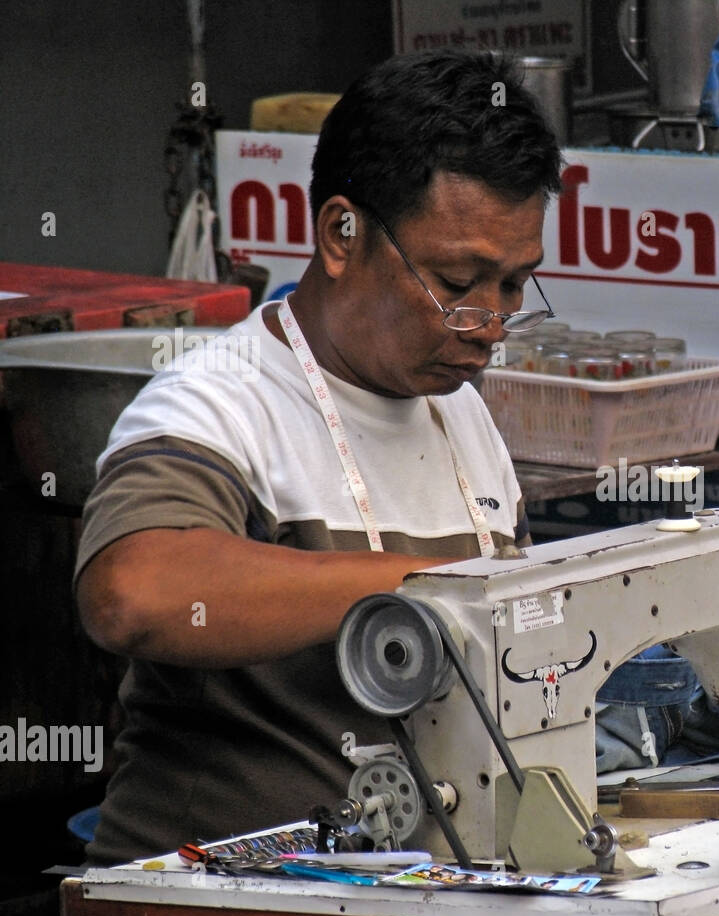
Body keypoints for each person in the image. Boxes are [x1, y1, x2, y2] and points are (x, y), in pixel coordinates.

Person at [75, 48, 563, 868]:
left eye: (513, 286)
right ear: (342, 234)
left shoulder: (464, 417)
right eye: (457, 280)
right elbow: (134, 593)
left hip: (409, 903)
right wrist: (420, 589)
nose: (488, 325)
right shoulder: (218, 402)